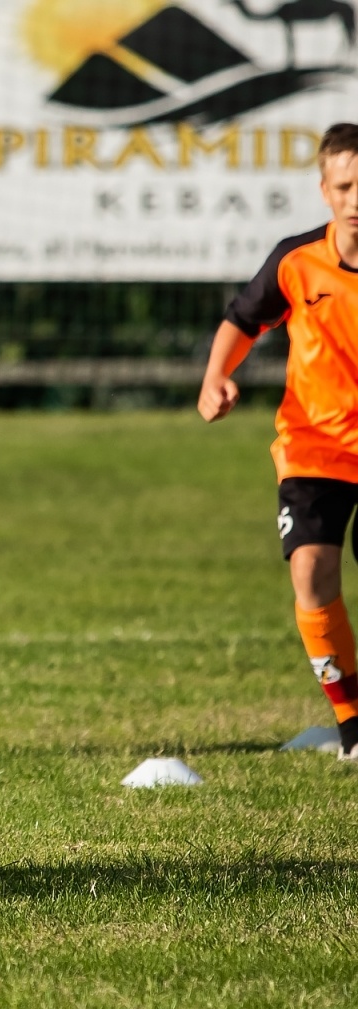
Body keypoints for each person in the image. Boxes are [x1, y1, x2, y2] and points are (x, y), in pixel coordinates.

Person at [199, 122, 358, 761]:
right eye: (346, 185)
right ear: (325, 190)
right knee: (311, 572)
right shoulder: (298, 261)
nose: (357, 197)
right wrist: (216, 377)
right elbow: (244, 318)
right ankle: (353, 726)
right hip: (313, 444)